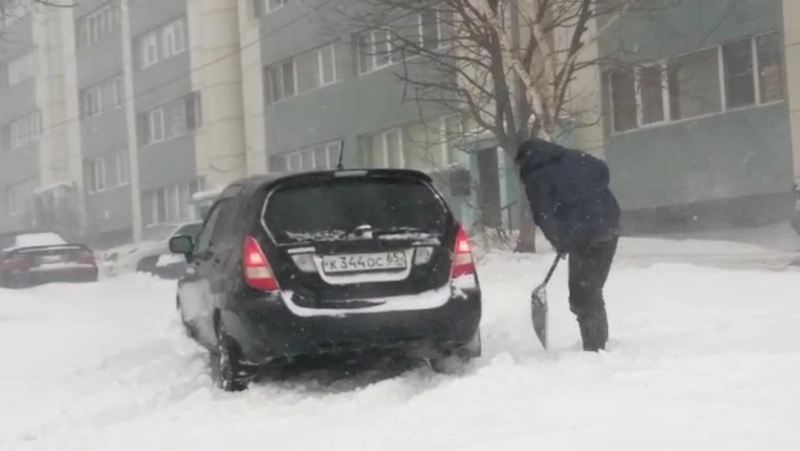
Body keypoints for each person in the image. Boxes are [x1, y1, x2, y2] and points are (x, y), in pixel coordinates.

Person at [515, 137, 621, 352]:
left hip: (585, 234)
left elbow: (543, 216)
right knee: (591, 289)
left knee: (583, 294)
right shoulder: (575, 156)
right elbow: (603, 171)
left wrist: (560, 240)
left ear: (525, 159)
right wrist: (586, 194)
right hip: (610, 225)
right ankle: (599, 342)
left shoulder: (536, 176)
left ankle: (595, 348)